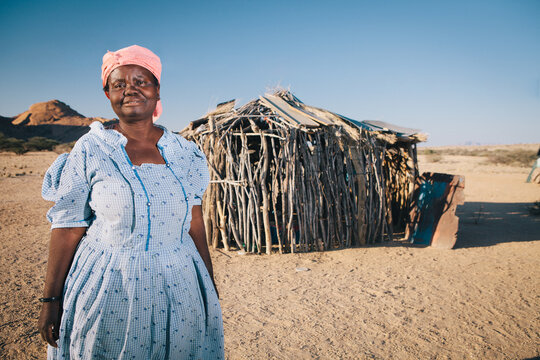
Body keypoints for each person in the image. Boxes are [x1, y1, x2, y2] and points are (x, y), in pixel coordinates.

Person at [38, 45, 224, 359]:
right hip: (108, 282)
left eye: (141, 81)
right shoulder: (91, 149)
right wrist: (50, 301)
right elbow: (68, 226)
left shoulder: (184, 152)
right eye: (119, 84)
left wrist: (208, 284)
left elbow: (194, 221)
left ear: (157, 90)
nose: (130, 90)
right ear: (107, 93)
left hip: (179, 282)